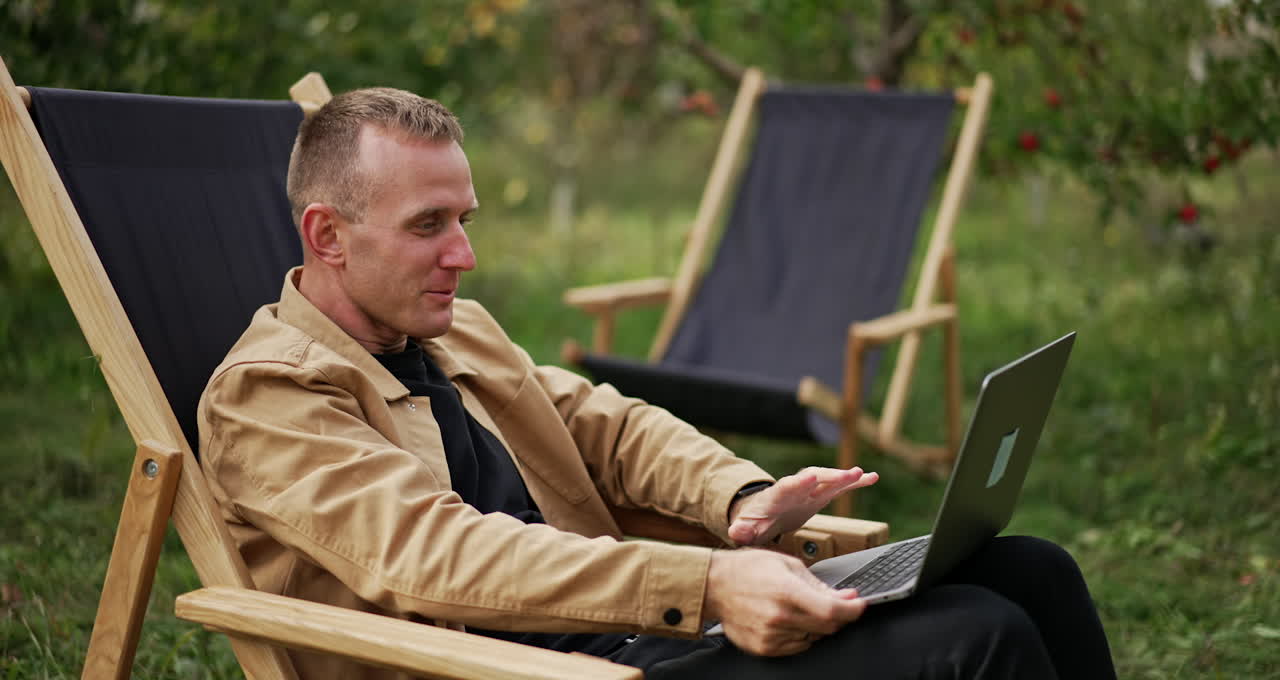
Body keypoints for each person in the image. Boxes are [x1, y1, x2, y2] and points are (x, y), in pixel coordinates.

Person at [198, 87, 1115, 679]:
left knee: (1031, 570)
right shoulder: (271, 396)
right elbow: (436, 558)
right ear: (327, 235)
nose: (465, 255)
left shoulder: (447, 332)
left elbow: (609, 426)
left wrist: (743, 499)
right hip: (533, 670)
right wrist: (712, 585)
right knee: (978, 644)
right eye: (428, 224)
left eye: (464, 219)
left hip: (634, 636)